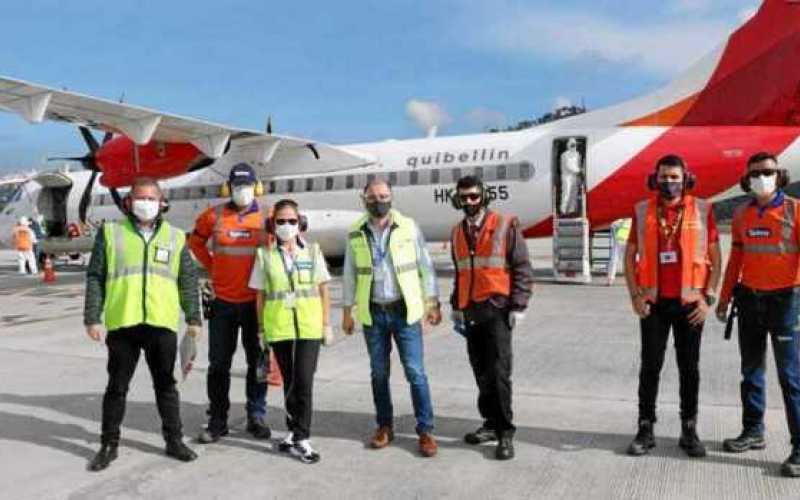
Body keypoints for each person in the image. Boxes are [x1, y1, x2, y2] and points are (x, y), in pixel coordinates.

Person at [83, 177, 201, 471]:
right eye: (140, 198)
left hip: (161, 323)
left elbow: (187, 279)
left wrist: (194, 317)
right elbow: (96, 275)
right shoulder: (110, 233)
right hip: (123, 323)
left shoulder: (175, 237)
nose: (145, 203)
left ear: (162, 203)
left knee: (166, 386)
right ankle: (109, 444)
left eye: (151, 198)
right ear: (128, 202)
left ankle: (174, 441)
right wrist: (92, 316)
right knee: (117, 387)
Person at [624, 155, 721, 458]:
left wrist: (709, 298)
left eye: (675, 176)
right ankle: (645, 427)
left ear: (686, 178)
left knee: (689, 369)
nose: (669, 182)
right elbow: (629, 258)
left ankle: (689, 429)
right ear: (655, 179)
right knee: (650, 367)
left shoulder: (703, 210)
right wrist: (635, 296)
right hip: (653, 304)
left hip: (690, 305)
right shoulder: (642, 211)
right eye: (664, 177)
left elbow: (717, 259)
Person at [341, 178, 442, 457]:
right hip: (373, 312)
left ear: (392, 197)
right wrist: (347, 311)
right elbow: (350, 273)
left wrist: (432, 302)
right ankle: (384, 425)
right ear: (363, 199)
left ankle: (425, 430)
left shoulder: (408, 227)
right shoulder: (355, 231)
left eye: (384, 195)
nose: (379, 200)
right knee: (379, 373)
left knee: (415, 372)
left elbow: (425, 267)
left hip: (404, 311)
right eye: (373, 197)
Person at [716, 152, 800, 477]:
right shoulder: (741, 214)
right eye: (755, 173)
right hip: (749, 301)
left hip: (785, 303)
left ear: (779, 175)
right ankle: (753, 431)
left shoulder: (795, 211)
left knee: (790, 378)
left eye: (767, 171)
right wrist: (724, 299)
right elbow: (735, 260)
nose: (761, 177)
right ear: (746, 179)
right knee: (751, 371)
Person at [450, 175, 534, 460]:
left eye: (474, 196)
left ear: (483, 196)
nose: (469, 202)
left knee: (499, 374)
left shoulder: (505, 225)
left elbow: (522, 267)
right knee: (481, 372)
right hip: (470, 310)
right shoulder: (457, 231)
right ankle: (489, 422)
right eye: (464, 198)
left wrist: (518, 306)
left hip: (497, 309)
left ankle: (505, 432)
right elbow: (461, 272)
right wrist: (455, 304)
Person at [188, 163, 271, 443]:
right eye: (237, 186)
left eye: (247, 186)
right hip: (223, 303)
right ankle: (218, 420)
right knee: (218, 365)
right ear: (228, 188)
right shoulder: (213, 216)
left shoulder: (267, 217)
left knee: (257, 362)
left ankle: (256, 415)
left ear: (256, 187)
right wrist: (212, 268)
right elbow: (195, 243)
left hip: (255, 304)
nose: (242, 191)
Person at [250, 199, 332, 463]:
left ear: (301, 224)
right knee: (289, 381)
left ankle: (302, 437)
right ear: (272, 225)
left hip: (308, 327)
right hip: (280, 327)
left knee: (304, 381)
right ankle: (292, 430)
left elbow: (323, 289)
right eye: (281, 221)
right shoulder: (265, 256)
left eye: (292, 221)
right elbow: (261, 295)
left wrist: (326, 324)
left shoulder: (312, 251)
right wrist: (261, 328)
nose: (287, 225)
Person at [559, 138, 582, 216]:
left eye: (574, 144)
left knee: (574, 194)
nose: (574, 146)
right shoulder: (565, 154)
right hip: (567, 176)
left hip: (574, 177)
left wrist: (579, 175)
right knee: (566, 193)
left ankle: (571, 211)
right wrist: (579, 171)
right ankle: (563, 210)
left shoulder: (577, 154)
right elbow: (568, 166)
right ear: (568, 145)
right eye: (572, 144)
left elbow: (578, 164)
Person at [607, 218, 632, 286]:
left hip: (622, 243)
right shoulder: (621, 222)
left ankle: (610, 279)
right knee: (615, 261)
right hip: (621, 243)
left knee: (614, 261)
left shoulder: (624, 222)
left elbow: (612, 227)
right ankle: (610, 279)